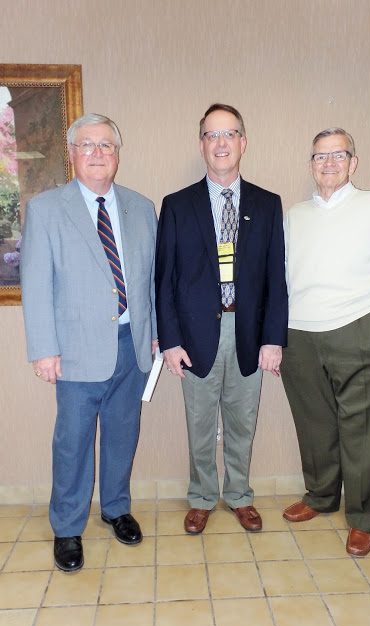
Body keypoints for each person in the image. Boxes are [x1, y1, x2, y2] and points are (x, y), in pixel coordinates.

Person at [20, 113, 158, 571]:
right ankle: (67, 528)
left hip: (132, 345)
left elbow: (150, 280)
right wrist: (43, 348)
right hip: (75, 350)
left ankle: (116, 509)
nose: (97, 153)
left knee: (122, 435)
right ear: (72, 153)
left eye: (106, 145)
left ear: (117, 154)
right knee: (73, 442)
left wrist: (155, 331)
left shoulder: (141, 207)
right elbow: (36, 283)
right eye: (87, 145)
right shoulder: (46, 209)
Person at [155, 103, 288, 534]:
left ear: (243, 143)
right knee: (198, 422)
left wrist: (274, 339)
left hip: (248, 331)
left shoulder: (268, 205)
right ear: (201, 146)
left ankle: (239, 495)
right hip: (195, 334)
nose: (221, 143)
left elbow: (275, 277)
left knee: (241, 420)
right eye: (212, 135)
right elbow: (165, 280)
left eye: (229, 134)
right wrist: (170, 340)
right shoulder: (176, 205)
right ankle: (200, 497)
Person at [281, 127, 370, 556]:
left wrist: (365, 309)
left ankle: (362, 516)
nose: (329, 163)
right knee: (315, 425)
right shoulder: (294, 215)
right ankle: (320, 496)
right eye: (320, 157)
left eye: (339, 155)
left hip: (366, 328)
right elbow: (283, 277)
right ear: (310, 165)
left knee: (365, 429)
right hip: (301, 335)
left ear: (353, 163)